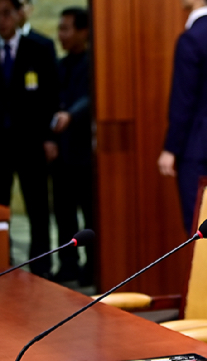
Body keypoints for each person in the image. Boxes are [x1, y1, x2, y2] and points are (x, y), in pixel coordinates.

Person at [158, 0, 207, 234]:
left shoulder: (191, 38)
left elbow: (184, 100)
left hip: (195, 147)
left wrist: (170, 148)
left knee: (197, 227)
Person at [0, 0, 58, 278]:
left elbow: (51, 97)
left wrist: (49, 138)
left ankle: (41, 267)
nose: (2, 20)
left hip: (31, 141)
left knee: (37, 207)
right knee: (1, 209)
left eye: (6, 13)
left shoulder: (40, 46)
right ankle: (3, 261)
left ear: (18, 13)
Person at [48, 7, 92, 285]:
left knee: (89, 215)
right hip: (61, 153)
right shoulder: (60, 66)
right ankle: (68, 265)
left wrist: (72, 115)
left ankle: (93, 266)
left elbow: (90, 98)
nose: (61, 35)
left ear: (83, 31)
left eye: (66, 29)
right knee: (63, 216)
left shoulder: (93, 64)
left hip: (84, 152)